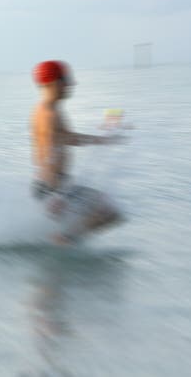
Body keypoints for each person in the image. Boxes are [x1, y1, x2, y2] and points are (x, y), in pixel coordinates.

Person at [31, 60, 123, 244]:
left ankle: (63, 241)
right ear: (53, 82)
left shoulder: (46, 109)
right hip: (54, 187)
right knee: (109, 212)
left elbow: (63, 139)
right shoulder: (49, 113)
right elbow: (58, 145)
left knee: (104, 212)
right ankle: (62, 241)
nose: (72, 84)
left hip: (50, 186)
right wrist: (58, 197)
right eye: (67, 79)